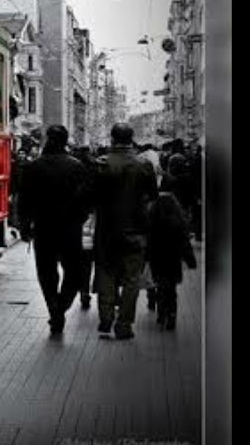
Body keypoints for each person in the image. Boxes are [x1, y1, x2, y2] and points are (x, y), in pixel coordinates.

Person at [17, 125, 90, 336]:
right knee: (74, 273)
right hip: (70, 229)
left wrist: (24, 225)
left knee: (46, 273)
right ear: (66, 141)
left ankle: (54, 309)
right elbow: (86, 200)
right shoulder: (77, 167)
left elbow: (24, 200)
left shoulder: (34, 167)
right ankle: (61, 307)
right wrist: (79, 218)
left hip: (44, 228)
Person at [89, 123, 158, 340]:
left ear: (112, 139)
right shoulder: (144, 165)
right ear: (131, 139)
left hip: (107, 231)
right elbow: (152, 197)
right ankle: (125, 323)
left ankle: (106, 316)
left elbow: (91, 198)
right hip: (136, 230)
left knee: (107, 272)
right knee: (131, 278)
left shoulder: (100, 165)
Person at [149, 169, 198, 330]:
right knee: (171, 289)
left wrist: (144, 259)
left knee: (159, 285)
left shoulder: (152, 223)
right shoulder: (178, 224)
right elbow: (185, 243)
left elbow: (147, 243)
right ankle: (172, 315)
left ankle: (161, 311)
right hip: (173, 260)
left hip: (157, 259)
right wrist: (190, 260)